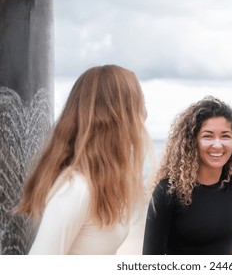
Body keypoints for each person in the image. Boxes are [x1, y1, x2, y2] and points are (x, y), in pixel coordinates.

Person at [16, 65, 151, 254]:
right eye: (138, 106)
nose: (144, 116)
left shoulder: (103, 184)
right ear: (116, 117)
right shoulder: (77, 190)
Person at [142, 79, 232, 255]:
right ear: (192, 142)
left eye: (225, 136)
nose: (218, 145)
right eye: (208, 136)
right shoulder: (168, 191)